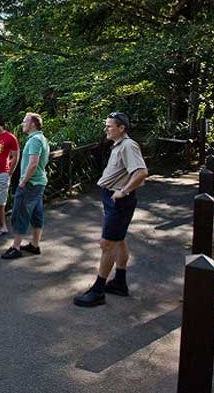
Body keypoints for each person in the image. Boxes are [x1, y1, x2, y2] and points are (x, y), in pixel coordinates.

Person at [74, 112, 148, 307]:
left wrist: (123, 191)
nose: (105, 129)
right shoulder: (118, 146)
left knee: (107, 244)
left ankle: (98, 291)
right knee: (119, 240)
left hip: (119, 201)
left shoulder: (128, 146)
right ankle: (119, 283)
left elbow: (141, 172)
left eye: (109, 126)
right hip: (112, 198)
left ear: (121, 128)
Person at [1, 113, 50, 259]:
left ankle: (16, 247)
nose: (23, 124)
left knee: (20, 213)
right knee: (36, 213)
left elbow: (33, 163)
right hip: (38, 182)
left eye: (25, 121)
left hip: (31, 183)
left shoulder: (34, 140)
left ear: (33, 124)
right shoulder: (42, 138)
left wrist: (23, 182)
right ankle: (34, 245)